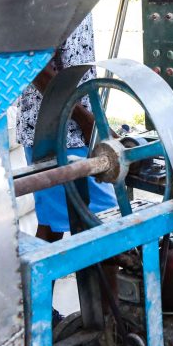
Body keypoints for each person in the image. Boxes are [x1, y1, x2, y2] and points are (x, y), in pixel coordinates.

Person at [16, 13, 118, 244]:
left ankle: (39, 278)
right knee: (106, 224)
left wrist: (94, 121)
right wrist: (85, 120)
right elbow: (34, 65)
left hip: (77, 125)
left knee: (51, 226)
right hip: (54, 131)